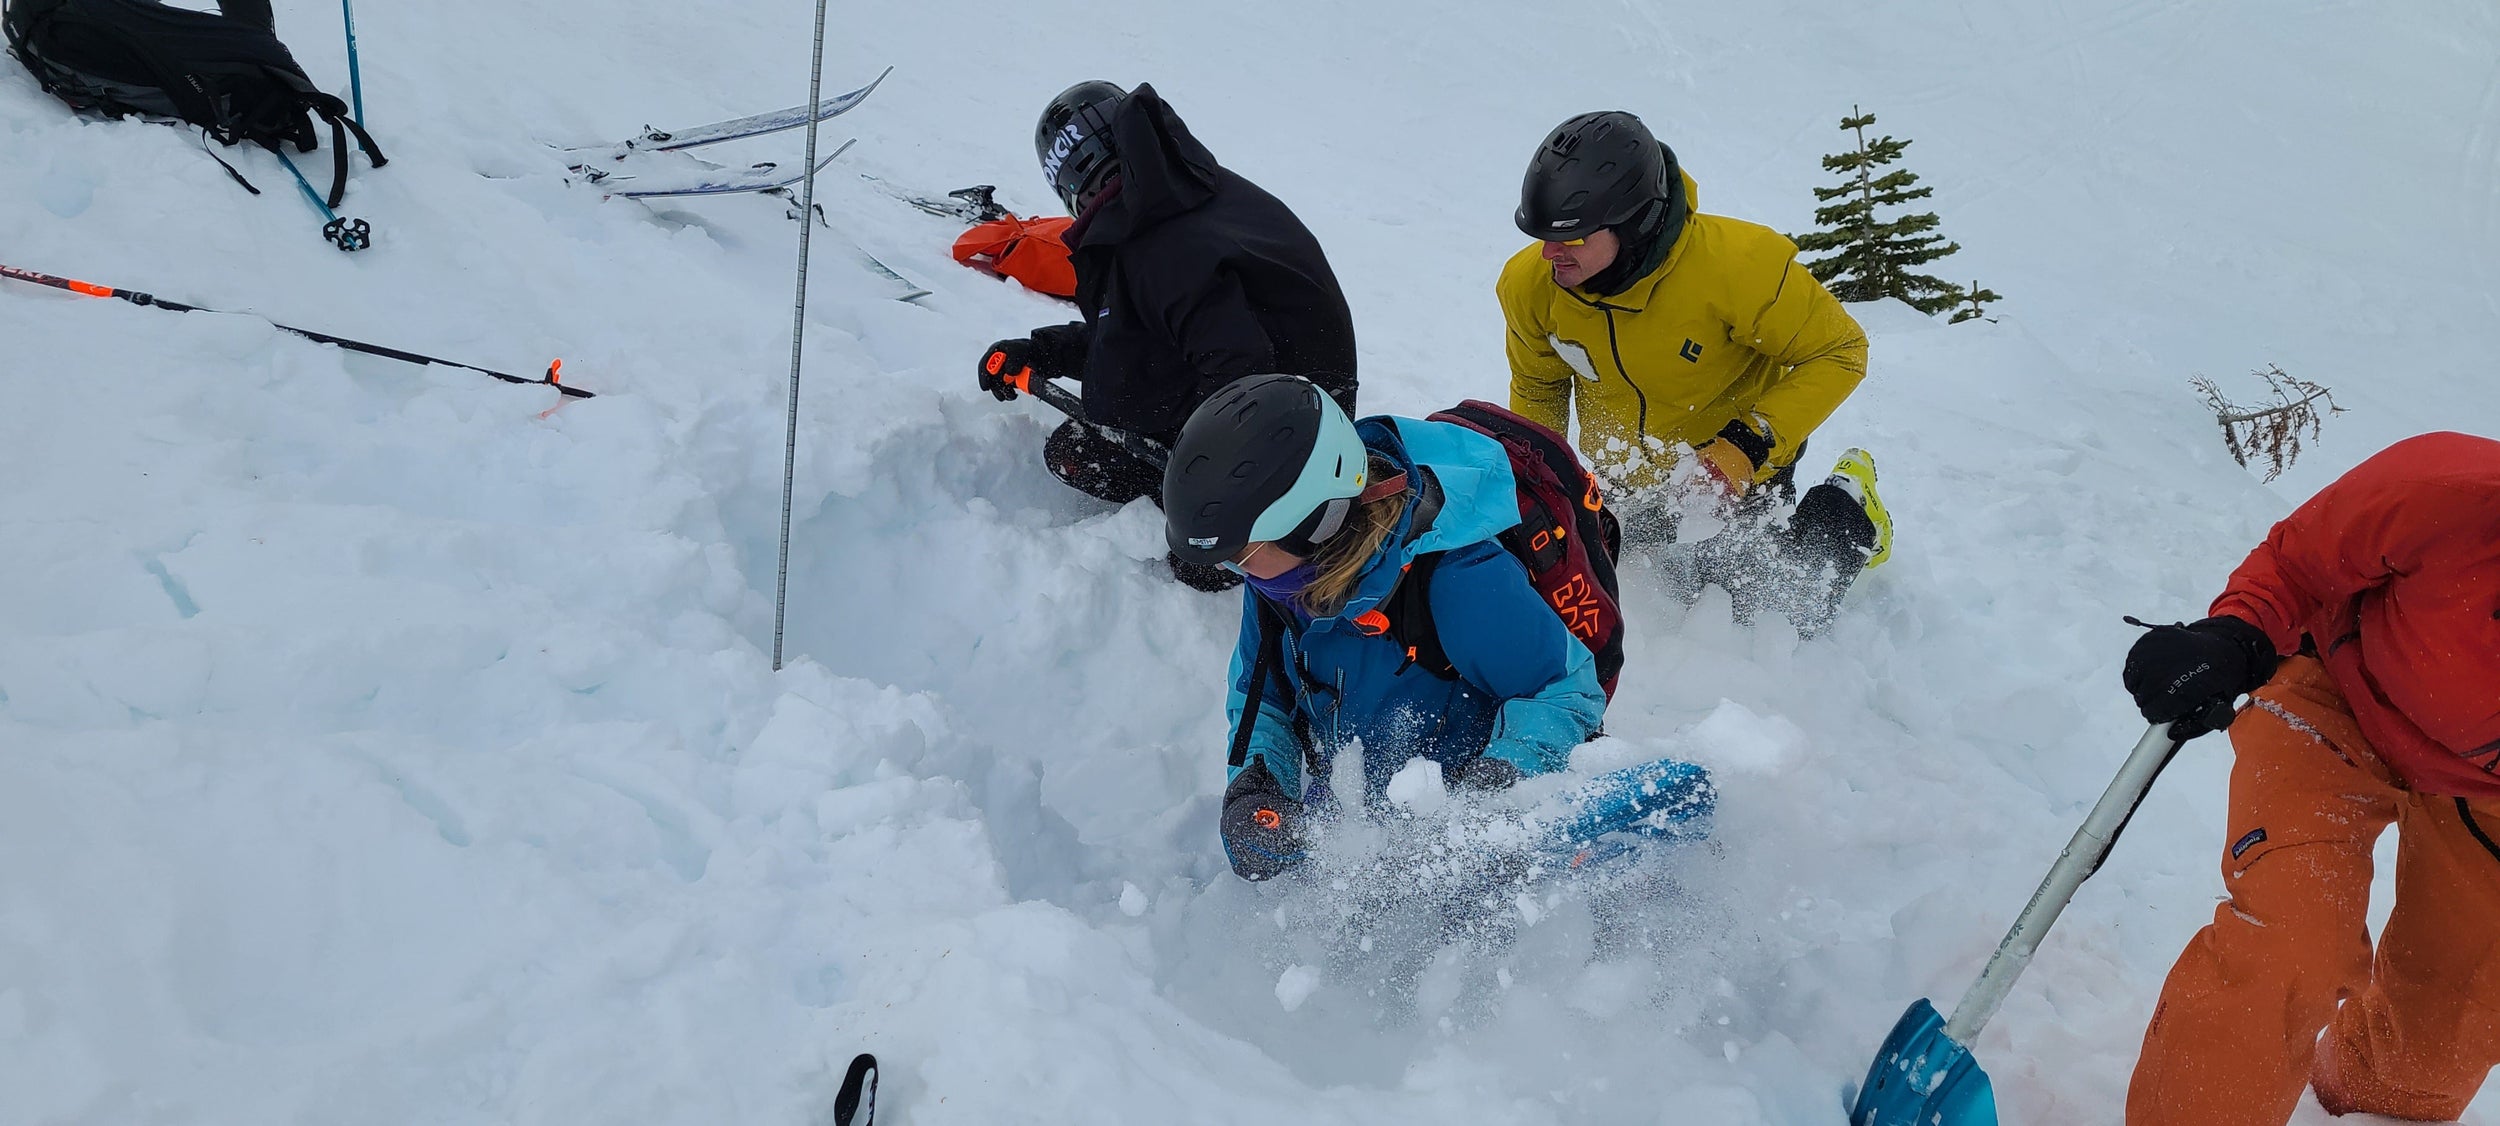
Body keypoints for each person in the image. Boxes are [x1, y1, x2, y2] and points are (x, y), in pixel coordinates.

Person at [2119, 431, 2500, 1124]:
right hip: (2336, 699)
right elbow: (2298, 566)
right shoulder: (2453, 490)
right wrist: (2233, 633)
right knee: (2294, 939)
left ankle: (2361, 1096)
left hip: (2486, 795)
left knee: (2431, 1058)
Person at [1162, 374, 1608, 881]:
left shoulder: (1454, 578)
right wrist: (1258, 785)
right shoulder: (1278, 582)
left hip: (1467, 849)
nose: (1237, 571)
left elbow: (1565, 690)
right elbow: (1260, 696)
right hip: (1361, 837)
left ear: (1316, 523)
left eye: (1243, 555)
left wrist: (1495, 792)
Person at [1496, 110, 1890, 634]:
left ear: (1632, 223)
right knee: (1617, 602)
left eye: (1571, 238)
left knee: (1782, 614)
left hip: (1742, 469)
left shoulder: (1741, 268)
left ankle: (1851, 505)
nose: (1548, 253)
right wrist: (1537, 486)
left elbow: (1841, 351)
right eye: (1543, 235)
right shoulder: (1532, 286)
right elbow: (1538, 385)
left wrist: (1743, 448)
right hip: (1623, 483)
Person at [977, 80, 1358, 591]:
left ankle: (1265, 523)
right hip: (1299, 399)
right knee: (1078, 453)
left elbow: (1242, 372)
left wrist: (1198, 478)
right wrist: (1043, 351)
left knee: (1196, 561)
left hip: (1294, 435)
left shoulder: (1161, 241)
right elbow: (1138, 333)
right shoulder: (1176, 193)